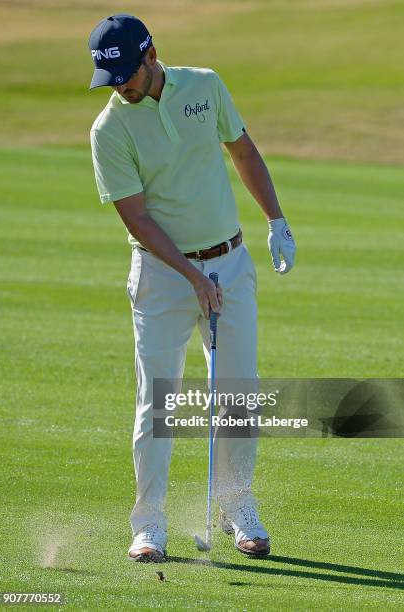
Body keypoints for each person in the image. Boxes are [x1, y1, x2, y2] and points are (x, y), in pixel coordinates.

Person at [88, 14, 296, 563]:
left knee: (237, 393)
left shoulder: (205, 84)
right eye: (108, 79)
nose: (119, 88)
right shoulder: (109, 130)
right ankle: (149, 524)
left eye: (125, 75)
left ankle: (236, 506)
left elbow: (243, 150)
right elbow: (137, 218)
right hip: (162, 276)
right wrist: (190, 275)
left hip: (229, 262)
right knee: (157, 403)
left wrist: (276, 219)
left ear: (151, 55)